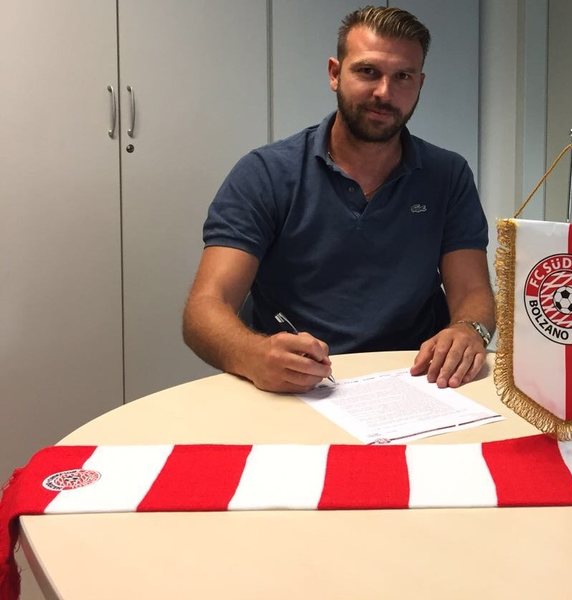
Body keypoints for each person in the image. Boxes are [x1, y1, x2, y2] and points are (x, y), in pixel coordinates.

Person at [183, 6, 494, 394]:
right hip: (298, 383)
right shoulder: (265, 173)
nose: (384, 92)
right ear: (335, 73)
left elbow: (472, 292)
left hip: (416, 379)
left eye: (403, 76)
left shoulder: (448, 175)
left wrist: (469, 329)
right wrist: (253, 354)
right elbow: (205, 307)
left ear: (420, 83)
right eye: (368, 71)